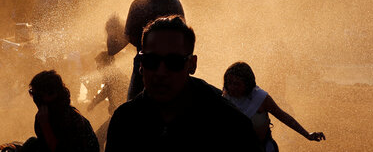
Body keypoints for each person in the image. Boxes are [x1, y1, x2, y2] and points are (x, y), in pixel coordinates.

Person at [105, 16, 260, 152]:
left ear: (192, 64)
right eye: (151, 61)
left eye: (174, 62)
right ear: (140, 64)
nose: (161, 72)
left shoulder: (228, 124)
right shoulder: (125, 122)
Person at [223, 62, 325, 151]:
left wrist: (307, 134)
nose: (232, 87)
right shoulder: (225, 96)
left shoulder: (260, 98)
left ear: (248, 84)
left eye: (237, 84)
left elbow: (284, 117)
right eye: (229, 82)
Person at [124, 0, 185, 100]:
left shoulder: (137, 5)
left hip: (144, 61)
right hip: (173, 63)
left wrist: (146, 47)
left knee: (134, 103)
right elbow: (183, 34)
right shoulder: (175, 3)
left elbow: (130, 36)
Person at [26, 70, 99, 152]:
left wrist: (45, 125)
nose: (35, 99)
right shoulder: (48, 113)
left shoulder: (70, 118)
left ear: (52, 94)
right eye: (32, 93)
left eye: (37, 95)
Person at [86, 51, 128, 148]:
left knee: (98, 139)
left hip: (119, 118)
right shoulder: (114, 76)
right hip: (116, 116)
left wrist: (93, 103)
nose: (97, 68)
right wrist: (93, 103)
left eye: (99, 65)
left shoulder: (115, 77)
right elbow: (105, 92)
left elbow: (108, 94)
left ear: (107, 64)